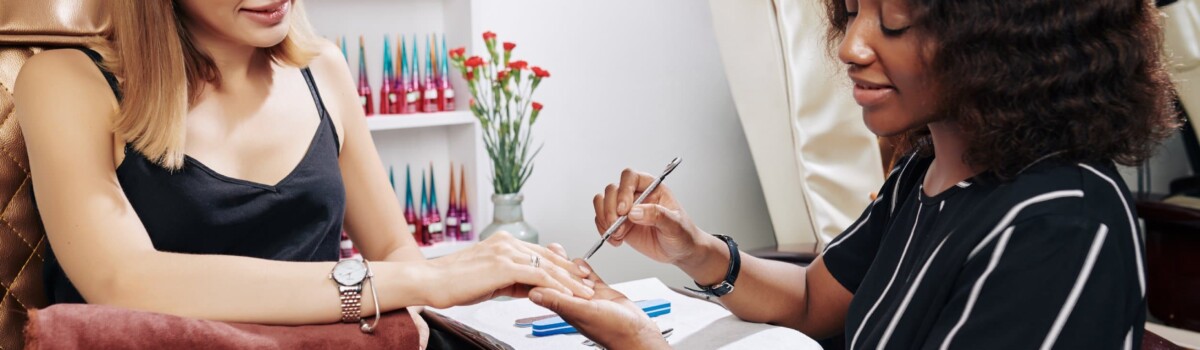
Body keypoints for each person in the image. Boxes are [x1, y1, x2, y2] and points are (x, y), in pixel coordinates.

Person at [528, 0, 1179, 348]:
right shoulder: (924, 171)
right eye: (852, 9)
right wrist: (696, 252)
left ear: (1006, 36)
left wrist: (646, 346)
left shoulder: (1060, 226)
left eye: (895, 20)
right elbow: (815, 300)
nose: (850, 46)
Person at [13, 0, 593, 346]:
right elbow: (124, 282)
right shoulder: (67, 82)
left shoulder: (325, 69)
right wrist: (424, 280)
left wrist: (480, 285)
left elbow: (392, 245)